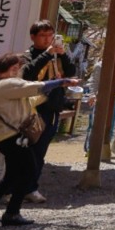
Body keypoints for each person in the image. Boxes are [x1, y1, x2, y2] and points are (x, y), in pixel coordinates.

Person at [0, 51, 78, 227]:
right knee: (29, 171)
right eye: (14, 68)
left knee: (11, 176)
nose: (17, 72)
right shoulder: (5, 84)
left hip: (7, 137)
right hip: (13, 137)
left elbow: (32, 98)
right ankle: (12, 213)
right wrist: (59, 82)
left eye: (17, 69)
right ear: (2, 70)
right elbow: (32, 87)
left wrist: (53, 88)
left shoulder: (1, 87)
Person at [21, 20, 74, 202]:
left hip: (51, 111)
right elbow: (26, 73)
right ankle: (16, 188)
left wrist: (63, 55)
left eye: (50, 35)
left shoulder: (57, 57)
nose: (47, 39)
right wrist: (46, 54)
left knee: (40, 152)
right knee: (26, 151)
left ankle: (30, 188)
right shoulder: (29, 55)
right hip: (32, 110)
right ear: (33, 37)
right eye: (43, 35)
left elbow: (71, 72)